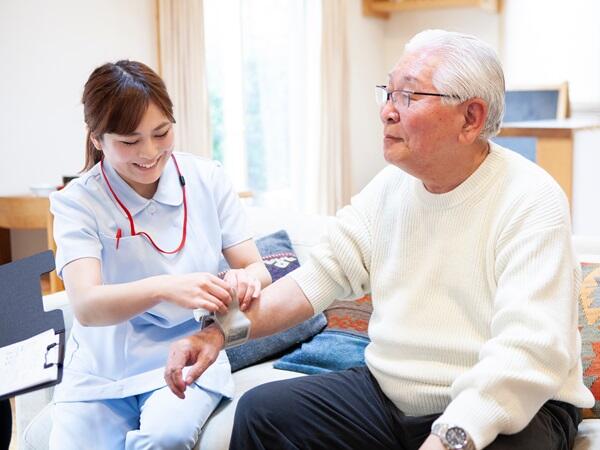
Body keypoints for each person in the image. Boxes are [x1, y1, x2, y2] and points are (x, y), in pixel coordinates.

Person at [165, 29, 595, 450]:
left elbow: (526, 352)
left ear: (471, 118)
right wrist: (219, 333)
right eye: (387, 93)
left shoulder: (531, 199)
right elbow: (314, 279)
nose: (387, 111)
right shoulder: (388, 189)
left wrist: (451, 436)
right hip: (392, 398)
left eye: (408, 96)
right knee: (263, 413)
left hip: (519, 407)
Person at [49, 60, 271, 450]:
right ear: (97, 139)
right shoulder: (78, 202)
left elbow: (256, 267)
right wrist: (166, 288)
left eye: (161, 133)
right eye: (129, 141)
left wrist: (245, 279)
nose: (149, 153)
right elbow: (86, 305)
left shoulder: (207, 179)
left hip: (186, 354)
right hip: (102, 367)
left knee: (163, 438)